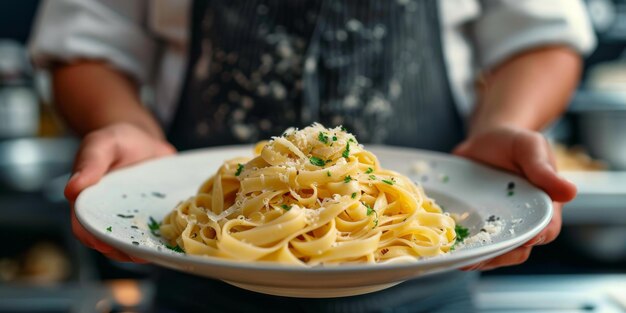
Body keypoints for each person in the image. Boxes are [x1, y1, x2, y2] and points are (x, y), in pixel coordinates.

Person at [29, 0, 593, 311]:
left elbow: (539, 36)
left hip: (427, 290)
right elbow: (87, 43)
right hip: (202, 289)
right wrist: (122, 126)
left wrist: (506, 126)